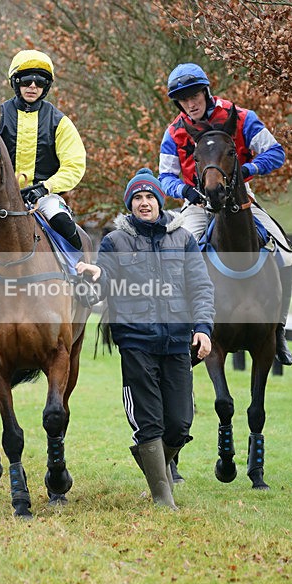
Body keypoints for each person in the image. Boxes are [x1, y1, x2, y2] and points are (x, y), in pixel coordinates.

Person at [76, 168, 215, 510]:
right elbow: (104, 282)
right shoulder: (115, 241)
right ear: (130, 204)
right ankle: (162, 497)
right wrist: (95, 276)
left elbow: (201, 286)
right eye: (136, 198)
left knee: (181, 423)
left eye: (149, 196)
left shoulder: (183, 238)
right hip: (136, 340)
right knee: (148, 420)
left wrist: (203, 328)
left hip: (177, 340)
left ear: (159, 201)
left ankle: (157, 469)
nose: (143, 203)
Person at [159, 62, 292, 366]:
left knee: (286, 256)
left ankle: (279, 329)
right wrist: (186, 192)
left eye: (194, 96)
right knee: (178, 257)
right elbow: (165, 177)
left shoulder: (243, 117)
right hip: (197, 205)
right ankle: (186, 332)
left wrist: (247, 170)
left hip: (240, 199)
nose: (190, 104)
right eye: (183, 99)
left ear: (206, 92)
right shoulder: (174, 132)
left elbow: (275, 152)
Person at [0, 49, 87, 306]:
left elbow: (74, 165)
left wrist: (45, 187)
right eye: (26, 80)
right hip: (2, 199)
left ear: (46, 86)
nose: (32, 86)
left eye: (39, 81)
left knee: (63, 222)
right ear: (16, 83)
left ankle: (79, 280)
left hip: (43, 197)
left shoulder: (60, 122)